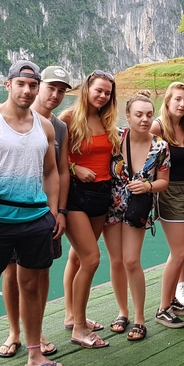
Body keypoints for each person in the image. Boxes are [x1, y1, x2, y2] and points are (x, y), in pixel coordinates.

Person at [0, 61, 65, 366]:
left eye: (32, 85)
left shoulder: (45, 126)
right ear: (7, 84)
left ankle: (35, 354)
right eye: (21, 83)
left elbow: (50, 171)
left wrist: (52, 211)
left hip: (35, 219)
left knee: (32, 287)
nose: (27, 90)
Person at [0, 66, 72, 361]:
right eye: (50, 87)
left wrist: (59, 211)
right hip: (8, 211)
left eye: (61, 90)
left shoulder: (57, 127)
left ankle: (35, 333)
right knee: (11, 272)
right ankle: (14, 331)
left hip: (43, 212)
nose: (54, 95)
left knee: (40, 271)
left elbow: (60, 171)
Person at [59, 69, 120, 349]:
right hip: (74, 193)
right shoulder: (68, 118)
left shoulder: (107, 120)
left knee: (78, 256)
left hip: (101, 193)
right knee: (92, 259)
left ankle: (72, 316)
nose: (103, 96)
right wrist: (74, 167)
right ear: (86, 89)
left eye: (107, 93)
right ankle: (80, 328)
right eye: (98, 90)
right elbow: (51, 158)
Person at [105, 92, 171, 341]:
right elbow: (75, 122)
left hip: (137, 207)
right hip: (111, 206)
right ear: (128, 116)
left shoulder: (161, 146)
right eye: (139, 115)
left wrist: (148, 186)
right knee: (116, 261)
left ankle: (140, 318)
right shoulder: (114, 138)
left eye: (149, 115)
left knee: (131, 260)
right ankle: (122, 312)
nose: (144, 119)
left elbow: (164, 181)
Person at [151, 82, 184, 327]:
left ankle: (172, 299)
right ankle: (162, 308)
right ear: (168, 101)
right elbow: (136, 148)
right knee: (179, 250)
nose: (182, 104)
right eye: (177, 100)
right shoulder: (158, 127)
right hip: (169, 192)